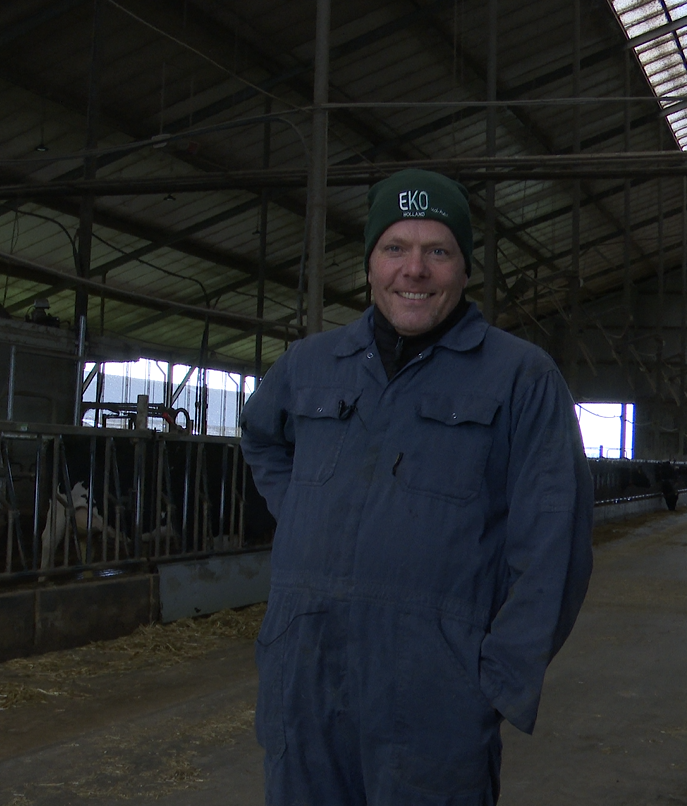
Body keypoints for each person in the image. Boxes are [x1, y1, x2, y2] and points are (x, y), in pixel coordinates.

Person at [240, 168, 594, 805]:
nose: (415, 269)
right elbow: (262, 437)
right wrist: (300, 510)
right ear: (370, 264)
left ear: (463, 269)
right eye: (395, 248)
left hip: (437, 693)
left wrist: (496, 679)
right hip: (305, 675)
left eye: (438, 250)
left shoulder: (521, 377)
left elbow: (555, 544)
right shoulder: (309, 364)